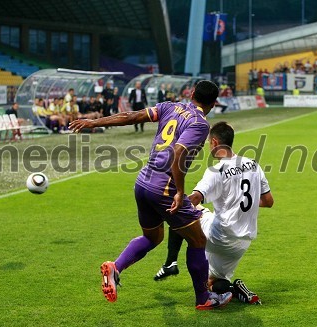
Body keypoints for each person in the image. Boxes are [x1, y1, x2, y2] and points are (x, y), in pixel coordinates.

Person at [69, 80, 232, 310]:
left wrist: (93, 122)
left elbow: (131, 116)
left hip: (143, 182)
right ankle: (203, 299)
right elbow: (178, 154)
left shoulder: (168, 106)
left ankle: (115, 268)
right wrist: (180, 192)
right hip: (164, 188)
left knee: (153, 238)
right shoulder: (200, 124)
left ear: (191, 93)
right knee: (197, 240)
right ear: (214, 103)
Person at [154, 121, 274, 305]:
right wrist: (239, 201)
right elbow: (268, 201)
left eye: (209, 142)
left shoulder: (215, 171)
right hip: (242, 243)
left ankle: (170, 262)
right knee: (213, 283)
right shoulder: (253, 165)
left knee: (182, 212)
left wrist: (167, 206)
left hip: (219, 235)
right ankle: (235, 288)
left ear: (215, 143)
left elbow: (193, 200)